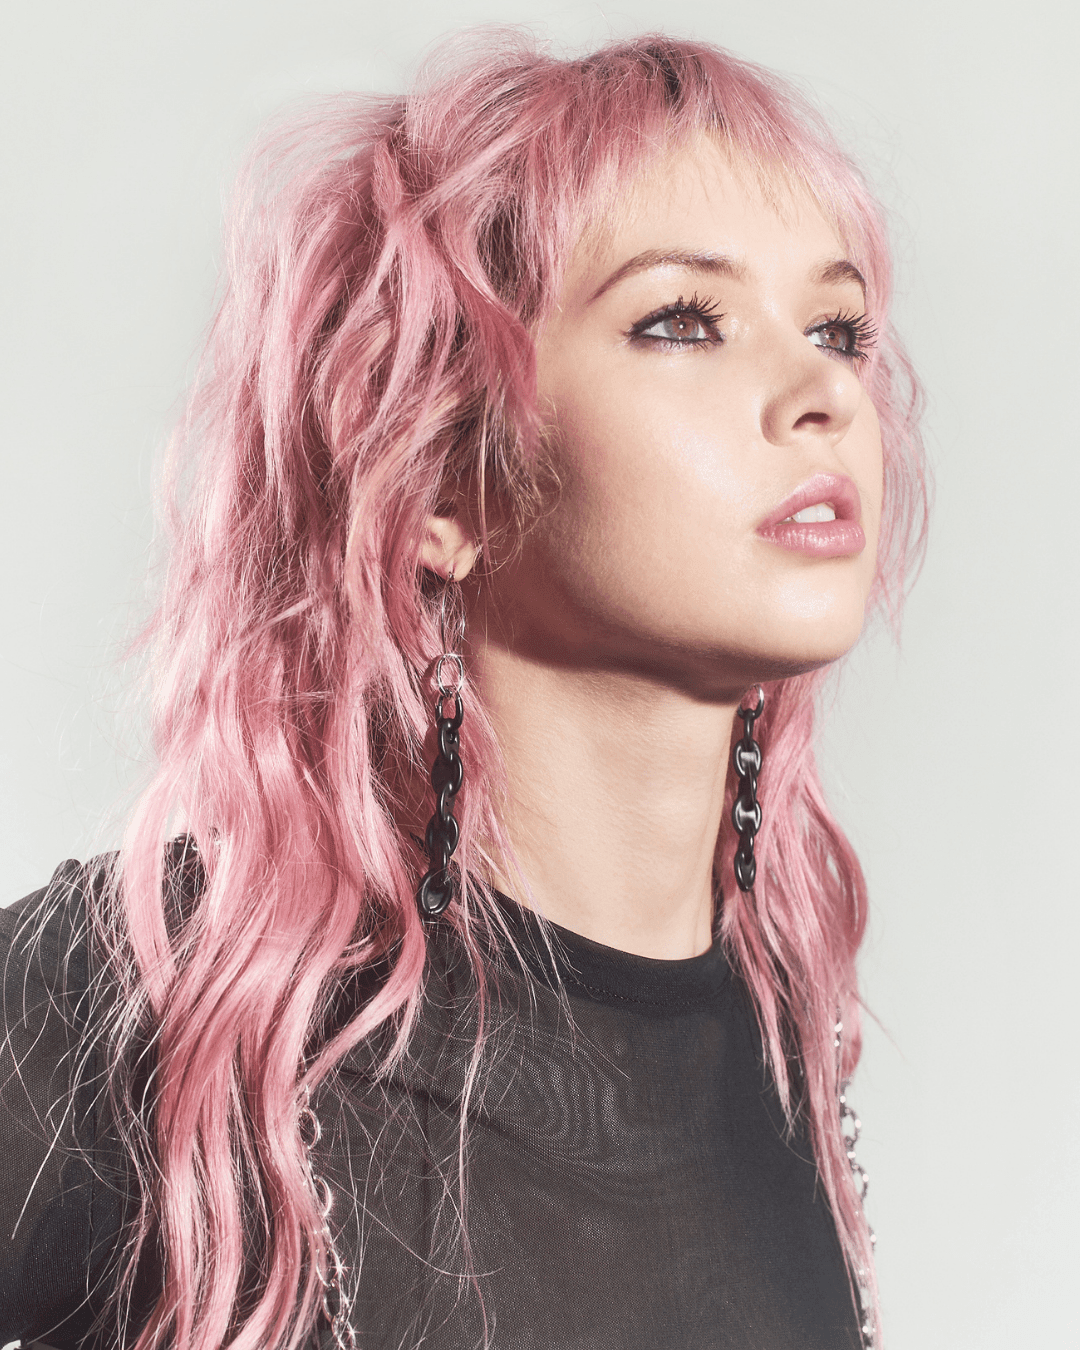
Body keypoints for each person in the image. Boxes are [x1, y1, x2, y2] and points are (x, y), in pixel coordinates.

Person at [0, 30, 927, 1350]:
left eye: (837, 327)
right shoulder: (170, 993)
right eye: (681, 319)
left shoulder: (780, 1053)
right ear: (443, 485)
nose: (821, 393)